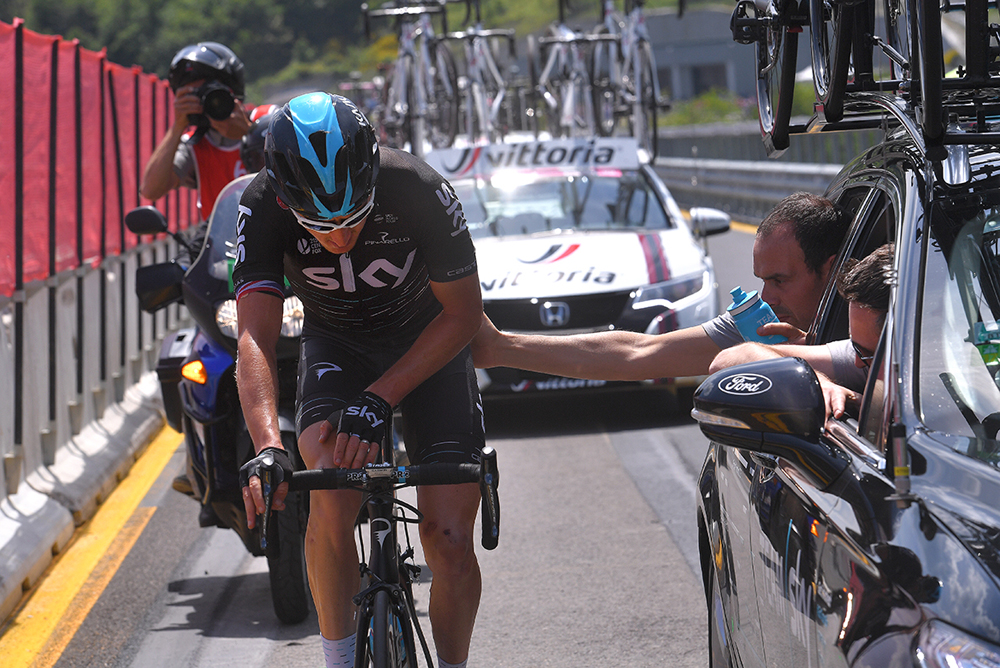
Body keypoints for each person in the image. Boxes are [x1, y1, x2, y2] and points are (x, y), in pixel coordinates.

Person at [233, 92, 485, 668]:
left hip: (429, 346)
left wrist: (381, 396)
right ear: (285, 200)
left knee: (447, 541)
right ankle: (338, 659)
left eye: (354, 217)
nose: (341, 238)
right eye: (320, 226)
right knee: (328, 489)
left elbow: (465, 316)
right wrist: (268, 447)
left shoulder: (418, 187)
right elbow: (255, 338)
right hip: (337, 347)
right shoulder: (261, 205)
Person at [472, 191, 851, 383]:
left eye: (780, 280)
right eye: (762, 280)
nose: (767, 297)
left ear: (832, 272)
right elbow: (638, 352)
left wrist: (807, 357)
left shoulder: (884, 318)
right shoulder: (760, 325)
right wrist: (502, 347)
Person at [709, 243, 894, 418]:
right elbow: (727, 360)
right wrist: (813, 382)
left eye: (780, 280)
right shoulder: (860, 361)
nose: (857, 362)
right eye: (856, 349)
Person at [140, 41, 252, 227]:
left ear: (232, 88)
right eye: (194, 95)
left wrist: (249, 134)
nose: (207, 101)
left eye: (211, 92)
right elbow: (150, 190)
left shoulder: (267, 121)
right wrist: (178, 127)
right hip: (225, 249)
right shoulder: (195, 145)